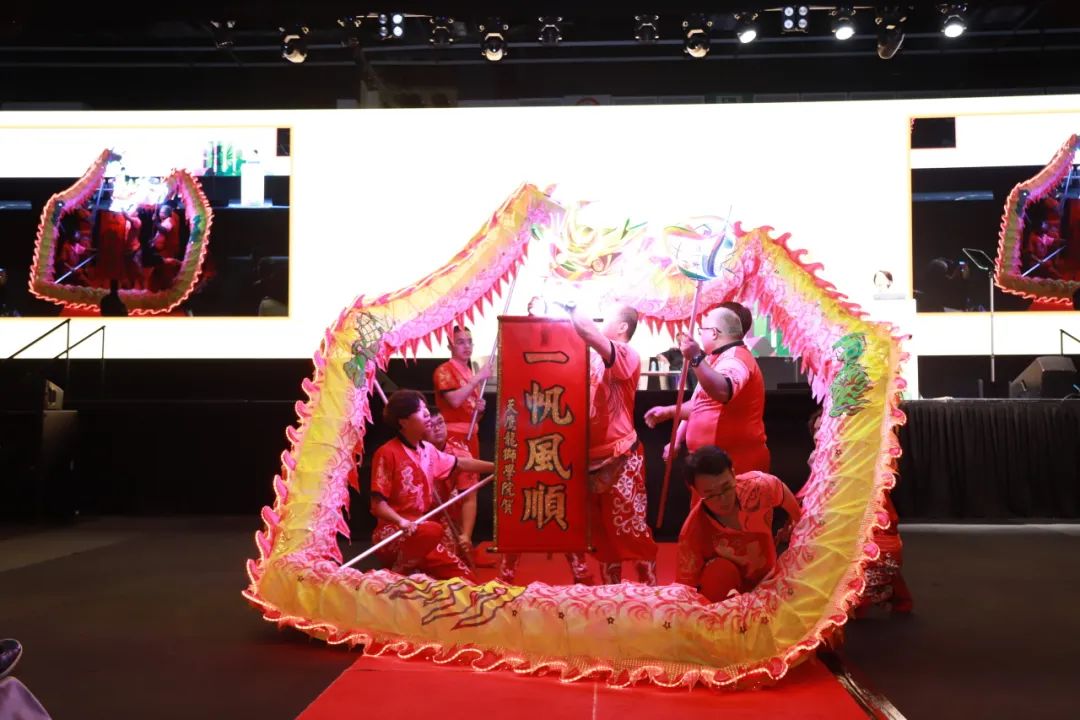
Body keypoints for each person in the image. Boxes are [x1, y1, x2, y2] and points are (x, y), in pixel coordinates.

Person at [567, 302, 658, 585]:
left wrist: (572, 305)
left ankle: (649, 591)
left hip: (621, 456)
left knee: (631, 528)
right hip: (589, 457)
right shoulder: (595, 356)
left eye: (606, 317)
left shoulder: (626, 353)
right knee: (602, 536)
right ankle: (610, 597)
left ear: (622, 327)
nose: (600, 322)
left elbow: (587, 331)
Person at [369, 390, 493, 581]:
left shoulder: (428, 450)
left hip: (424, 532)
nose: (427, 413)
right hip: (395, 532)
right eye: (420, 410)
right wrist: (401, 522)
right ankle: (400, 570)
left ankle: (415, 567)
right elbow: (378, 505)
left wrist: (497, 467)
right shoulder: (387, 453)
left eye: (426, 408)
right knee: (433, 530)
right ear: (404, 421)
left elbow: (460, 463)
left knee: (466, 579)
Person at [644, 303, 770, 475]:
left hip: (734, 467)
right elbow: (700, 404)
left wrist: (696, 357)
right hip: (711, 466)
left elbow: (723, 391)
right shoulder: (714, 359)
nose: (700, 335)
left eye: (702, 330)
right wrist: (669, 412)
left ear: (714, 333)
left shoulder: (736, 358)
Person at [675, 446, 801, 602]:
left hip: (768, 578)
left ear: (733, 474)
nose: (723, 499)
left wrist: (796, 524)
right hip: (726, 596)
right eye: (711, 495)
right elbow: (685, 589)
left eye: (726, 487)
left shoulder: (757, 487)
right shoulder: (693, 531)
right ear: (696, 491)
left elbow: (782, 494)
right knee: (718, 571)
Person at [432, 327, 489, 554]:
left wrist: (480, 410)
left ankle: (465, 541)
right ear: (450, 346)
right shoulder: (444, 371)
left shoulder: (468, 371)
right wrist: (477, 379)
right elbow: (454, 401)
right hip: (453, 438)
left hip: (471, 436)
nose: (467, 346)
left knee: (470, 490)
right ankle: (450, 542)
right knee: (455, 491)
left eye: (469, 341)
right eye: (461, 342)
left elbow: (469, 412)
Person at [424, 409, 480, 565]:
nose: (437, 429)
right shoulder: (414, 450)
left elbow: (469, 498)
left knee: (448, 557)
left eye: (440, 423)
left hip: (445, 512)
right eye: (431, 425)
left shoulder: (460, 453)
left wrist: (466, 535)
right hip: (417, 514)